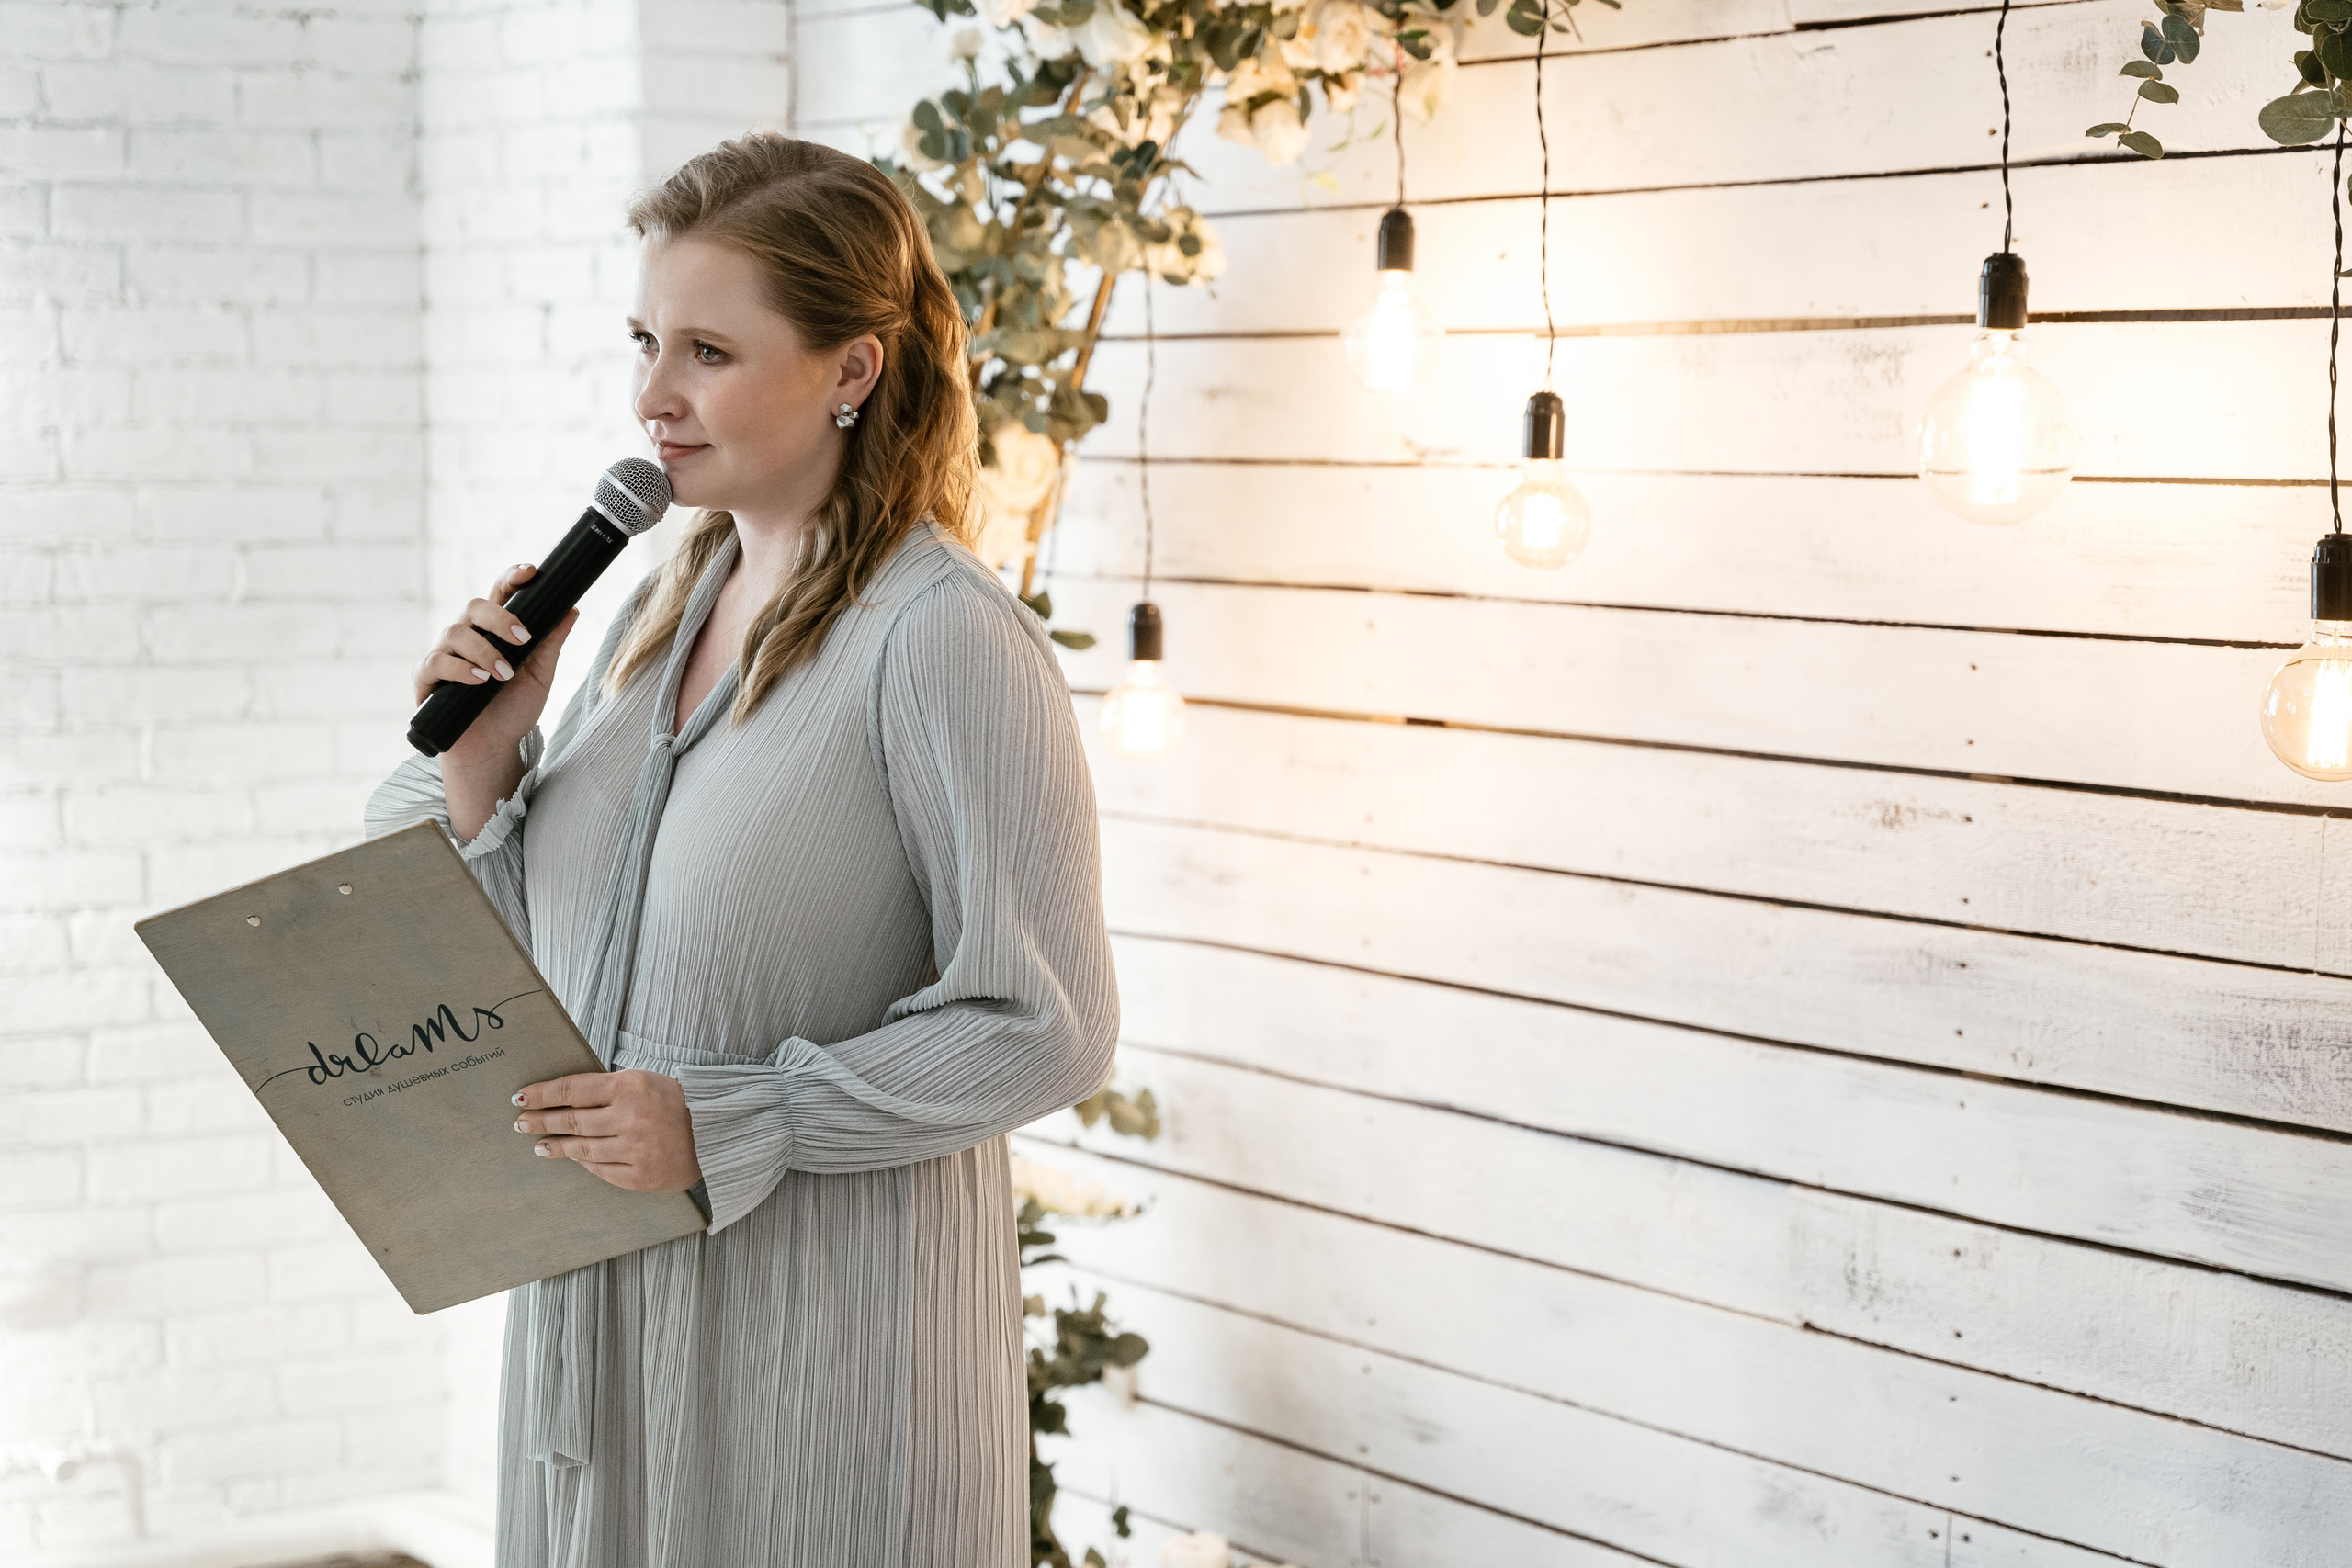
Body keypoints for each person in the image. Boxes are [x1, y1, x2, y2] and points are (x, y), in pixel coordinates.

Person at [364, 133, 1118, 1568]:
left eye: (708, 349)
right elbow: (535, 953)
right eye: (648, 339)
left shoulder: (944, 639)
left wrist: (729, 1121)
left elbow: (1048, 1025)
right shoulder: (661, 601)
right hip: (595, 1330)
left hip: (816, 1364)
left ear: (855, 367)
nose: (652, 397)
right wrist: (479, 765)